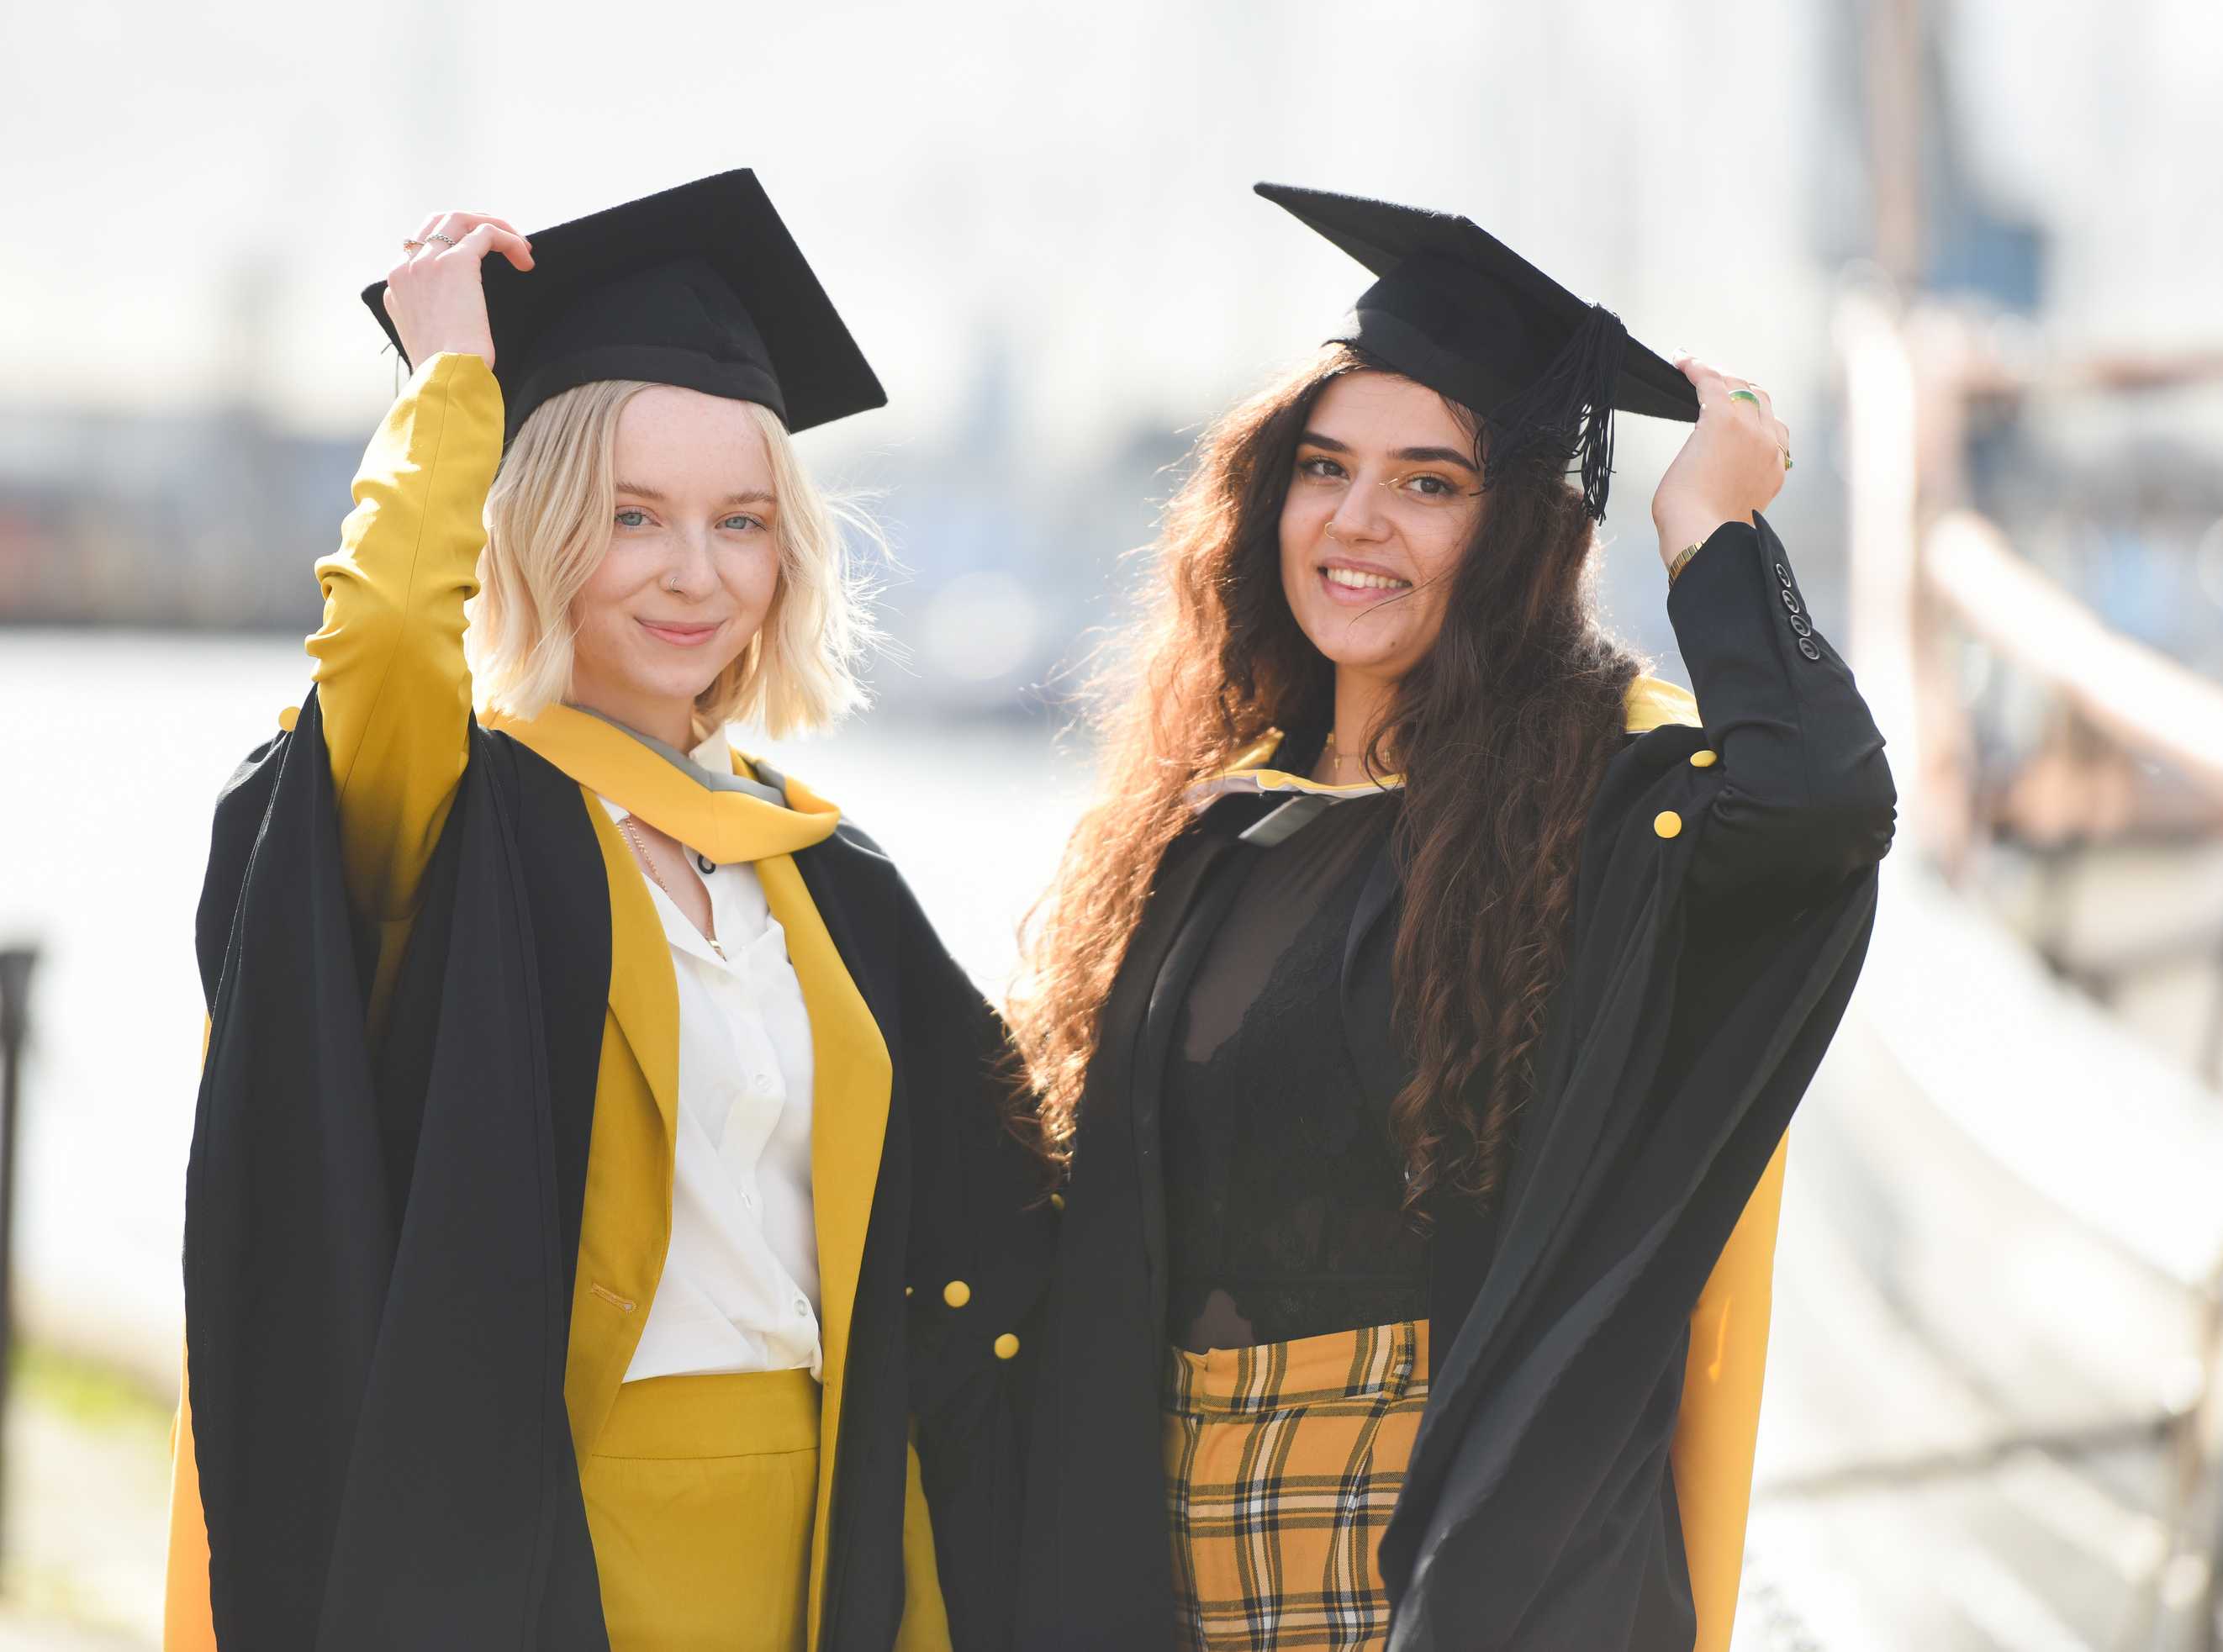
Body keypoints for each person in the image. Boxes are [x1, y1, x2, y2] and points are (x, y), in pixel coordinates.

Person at [166, 170, 1047, 1651]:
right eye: (631, 514)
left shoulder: (826, 880)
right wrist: (452, 376)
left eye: (740, 521)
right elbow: (382, 635)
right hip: (549, 1544)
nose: (695, 575)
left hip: (825, 1539)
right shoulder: (463, 817)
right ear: (538, 522)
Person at [1006, 184, 1895, 1651]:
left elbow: (1816, 809)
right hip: (1171, 1561)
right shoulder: (1210, 826)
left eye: (1429, 482)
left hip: (1455, 1567)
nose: (1357, 522)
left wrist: (1709, 528)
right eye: (1324, 468)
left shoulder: (1605, 813)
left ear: (1517, 532)